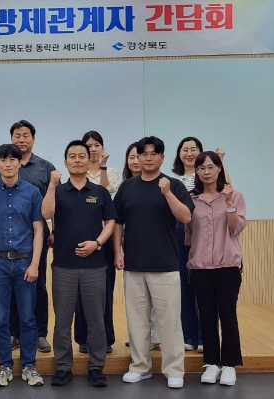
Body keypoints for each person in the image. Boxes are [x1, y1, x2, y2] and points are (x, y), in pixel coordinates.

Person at [113, 136, 194, 389]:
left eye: (153, 154)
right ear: (137, 157)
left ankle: (174, 369)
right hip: (134, 264)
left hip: (165, 264)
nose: (148, 158)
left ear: (162, 157)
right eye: (143, 154)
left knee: (170, 321)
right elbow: (117, 222)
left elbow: (186, 216)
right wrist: (117, 252)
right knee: (137, 320)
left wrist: (167, 193)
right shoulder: (127, 187)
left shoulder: (173, 185)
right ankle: (140, 367)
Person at [42, 140, 116, 388]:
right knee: (62, 322)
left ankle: (96, 367)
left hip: (95, 266)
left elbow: (110, 222)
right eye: (72, 156)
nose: (77, 160)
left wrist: (97, 243)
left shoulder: (100, 192)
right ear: (65, 163)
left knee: (96, 321)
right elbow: (46, 214)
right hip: (63, 266)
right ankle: (63, 367)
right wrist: (52, 185)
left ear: (89, 159)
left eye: (81, 155)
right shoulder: (58, 190)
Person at [0, 144, 45, 387]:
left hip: (25, 261)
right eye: (2, 160)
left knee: (28, 318)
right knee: (2, 319)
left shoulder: (32, 192)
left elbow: (39, 230)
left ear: (19, 162)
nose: (7, 164)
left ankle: (29, 366)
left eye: (12, 159)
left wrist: (35, 264)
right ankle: (4, 366)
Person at [0, 120, 54, 353]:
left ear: (33, 139)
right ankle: (14, 333)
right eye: (17, 135)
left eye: (26, 135)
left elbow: (54, 201)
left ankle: (40, 333)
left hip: (35, 236)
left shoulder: (44, 166)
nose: (21, 139)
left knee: (37, 284)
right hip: (6, 240)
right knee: (10, 291)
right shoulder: (3, 163)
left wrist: (54, 230)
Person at [186, 151, 246, 386]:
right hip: (200, 267)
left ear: (220, 168)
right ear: (197, 172)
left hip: (227, 265)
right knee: (206, 316)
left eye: (211, 167)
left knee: (228, 316)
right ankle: (211, 363)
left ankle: (229, 365)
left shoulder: (234, 195)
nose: (206, 172)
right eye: (201, 168)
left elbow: (236, 228)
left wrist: (229, 204)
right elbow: (190, 234)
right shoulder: (192, 199)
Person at [171, 137, 229, 352]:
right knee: (184, 286)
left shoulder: (207, 175)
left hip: (205, 231)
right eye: (184, 150)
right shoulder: (172, 179)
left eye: (194, 149)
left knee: (206, 288)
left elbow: (227, 190)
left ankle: (205, 337)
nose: (189, 153)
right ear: (179, 154)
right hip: (179, 231)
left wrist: (221, 163)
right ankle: (188, 336)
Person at [73, 131, 120, 355]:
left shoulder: (111, 172)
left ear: (102, 148)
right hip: (80, 239)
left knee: (104, 292)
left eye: (97, 145)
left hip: (104, 239)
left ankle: (106, 338)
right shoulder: (76, 174)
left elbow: (105, 193)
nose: (93, 149)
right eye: (89, 145)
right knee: (80, 292)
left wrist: (102, 167)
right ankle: (83, 337)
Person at [121, 142, 160, 350]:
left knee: (159, 303)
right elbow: (117, 220)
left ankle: (155, 337)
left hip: (158, 252)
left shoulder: (164, 185)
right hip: (131, 249)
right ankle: (137, 340)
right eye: (133, 157)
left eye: (142, 155)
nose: (138, 160)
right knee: (136, 302)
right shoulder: (125, 187)